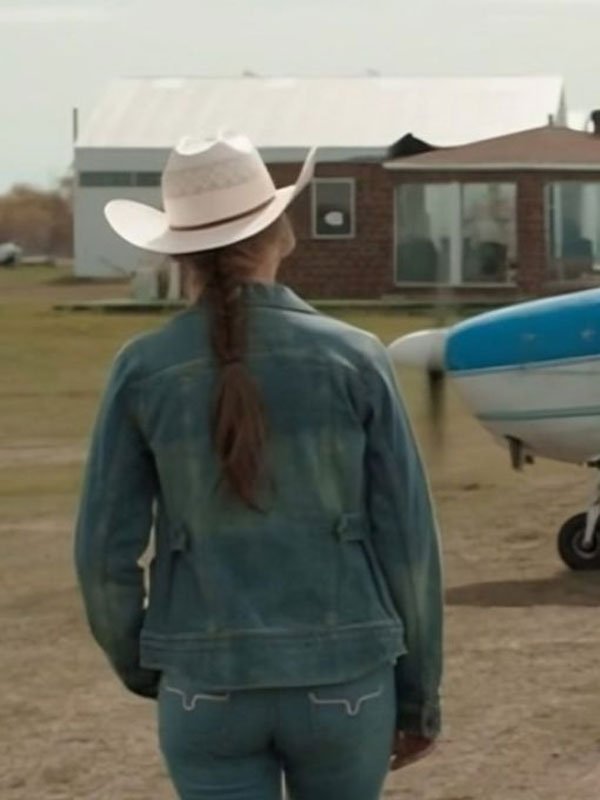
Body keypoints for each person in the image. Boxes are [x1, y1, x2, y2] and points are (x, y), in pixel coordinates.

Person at [74, 132, 443, 800]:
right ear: (283, 232)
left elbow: (104, 555)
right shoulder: (355, 358)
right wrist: (418, 696)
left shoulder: (143, 369)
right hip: (346, 676)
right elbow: (408, 545)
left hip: (203, 682)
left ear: (178, 251)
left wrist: (148, 661)